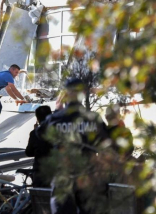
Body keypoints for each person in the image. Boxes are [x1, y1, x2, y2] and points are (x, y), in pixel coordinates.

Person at [36, 78, 111, 214]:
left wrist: (56, 111)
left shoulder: (56, 119)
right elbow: (107, 143)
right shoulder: (93, 118)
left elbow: (40, 135)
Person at [25, 105, 52, 187]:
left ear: (38, 119)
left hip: (40, 173)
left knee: (39, 197)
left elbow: (29, 152)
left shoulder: (34, 134)